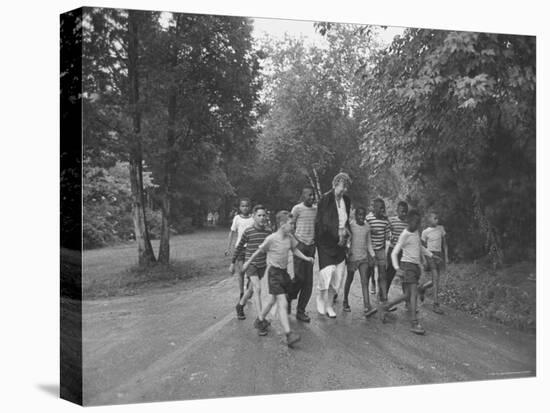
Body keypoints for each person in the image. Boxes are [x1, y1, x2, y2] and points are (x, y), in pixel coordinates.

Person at [243, 211, 314, 347]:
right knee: (282, 302)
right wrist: (248, 262)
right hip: (274, 274)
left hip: (283, 274)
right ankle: (289, 334)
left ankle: (260, 320)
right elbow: (258, 251)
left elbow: (295, 250)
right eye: (291, 224)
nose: (293, 226)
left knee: (271, 301)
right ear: (282, 224)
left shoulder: (289, 238)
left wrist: (306, 258)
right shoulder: (271, 239)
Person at [378, 209, 437, 335]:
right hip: (407, 266)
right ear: (408, 221)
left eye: (418, 222)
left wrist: (431, 255)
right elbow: (394, 253)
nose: (417, 225)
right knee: (413, 294)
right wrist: (396, 268)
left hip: (415, 267)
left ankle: (386, 307)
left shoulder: (416, 232)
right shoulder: (404, 234)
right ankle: (414, 323)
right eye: (414, 222)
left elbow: (419, 247)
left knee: (407, 295)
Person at [315, 173, 352, 318]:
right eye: (343, 186)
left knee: (338, 276)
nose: (345, 190)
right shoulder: (325, 199)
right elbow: (322, 222)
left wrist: (346, 236)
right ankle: (320, 298)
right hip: (326, 242)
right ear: (335, 184)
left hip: (341, 244)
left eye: (347, 187)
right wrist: (337, 235)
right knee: (327, 273)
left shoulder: (346, 201)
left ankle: (329, 305)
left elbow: (346, 221)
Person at [232, 205, 272, 329]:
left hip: (262, 265)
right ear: (254, 217)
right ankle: (261, 320)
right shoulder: (248, 231)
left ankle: (240, 305)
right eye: (259, 215)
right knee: (258, 289)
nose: (262, 218)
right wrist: (232, 263)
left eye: (264, 215)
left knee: (250, 290)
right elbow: (239, 247)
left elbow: (271, 248)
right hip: (251, 264)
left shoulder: (268, 232)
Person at [288, 187, 318, 322]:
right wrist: (294, 241)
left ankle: (301, 311)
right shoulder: (297, 209)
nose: (312, 197)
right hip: (299, 245)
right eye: (309, 195)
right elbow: (290, 226)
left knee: (308, 282)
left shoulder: (316, 210)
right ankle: (289, 296)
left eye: (313, 195)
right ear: (303, 196)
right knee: (299, 278)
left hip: (311, 247)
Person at [342, 206, 376, 316]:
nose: (361, 217)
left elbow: (369, 243)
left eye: (363, 215)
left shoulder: (367, 227)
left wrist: (373, 255)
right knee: (349, 279)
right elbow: (347, 241)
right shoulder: (351, 225)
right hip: (352, 259)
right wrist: (347, 252)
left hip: (363, 258)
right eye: (359, 215)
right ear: (355, 215)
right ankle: (345, 301)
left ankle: (367, 306)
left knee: (364, 281)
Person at [225, 198, 254, 299]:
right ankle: (242, 293)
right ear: (240, 207)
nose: (245, 208)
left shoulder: (253, 218)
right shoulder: (237, 218)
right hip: (240, 248)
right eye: (243, 206)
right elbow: (232, 232)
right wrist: (228, 248)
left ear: (250, 207)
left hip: (251, 248)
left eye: (247, 206)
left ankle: (249, 285)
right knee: (241, 271)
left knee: (251, 272)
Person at [421, 212, 448, 314]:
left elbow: (445, 244)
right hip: (430, 255)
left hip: (439, 255)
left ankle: (422, 288)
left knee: (435, 280)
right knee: (435, 278)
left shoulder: (441, 228)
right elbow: (422, 247)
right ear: (429, 220)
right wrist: (424, 259)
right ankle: (436, 304)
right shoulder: (425, 232)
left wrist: (446, 257)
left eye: (437, 218)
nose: (437, 220)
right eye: (435, 218)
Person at [366, 198, 390, 303]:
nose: (382, 210)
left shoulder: (385, 220)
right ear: (374, 208)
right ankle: (372, 282)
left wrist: (385, 249)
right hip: (370, 249)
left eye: (383, 208)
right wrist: (371, 230)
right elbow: (364, 231)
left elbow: (387, 236)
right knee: (370, 270)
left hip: (380, 249)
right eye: (380, 208)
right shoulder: (368, 218)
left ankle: (383, 298)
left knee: (382, 274)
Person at [386, 201, 409, 302]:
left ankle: (407, 300)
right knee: (389, 274)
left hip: (404, 253)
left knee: (405, 276)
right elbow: (387, 230)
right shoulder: (392, 220)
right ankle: (383, 297)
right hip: (393, 251)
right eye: (402, 211)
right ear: (397, 211)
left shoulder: (408, 223)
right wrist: (389, 235)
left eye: (405, 212)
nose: (404, 214)